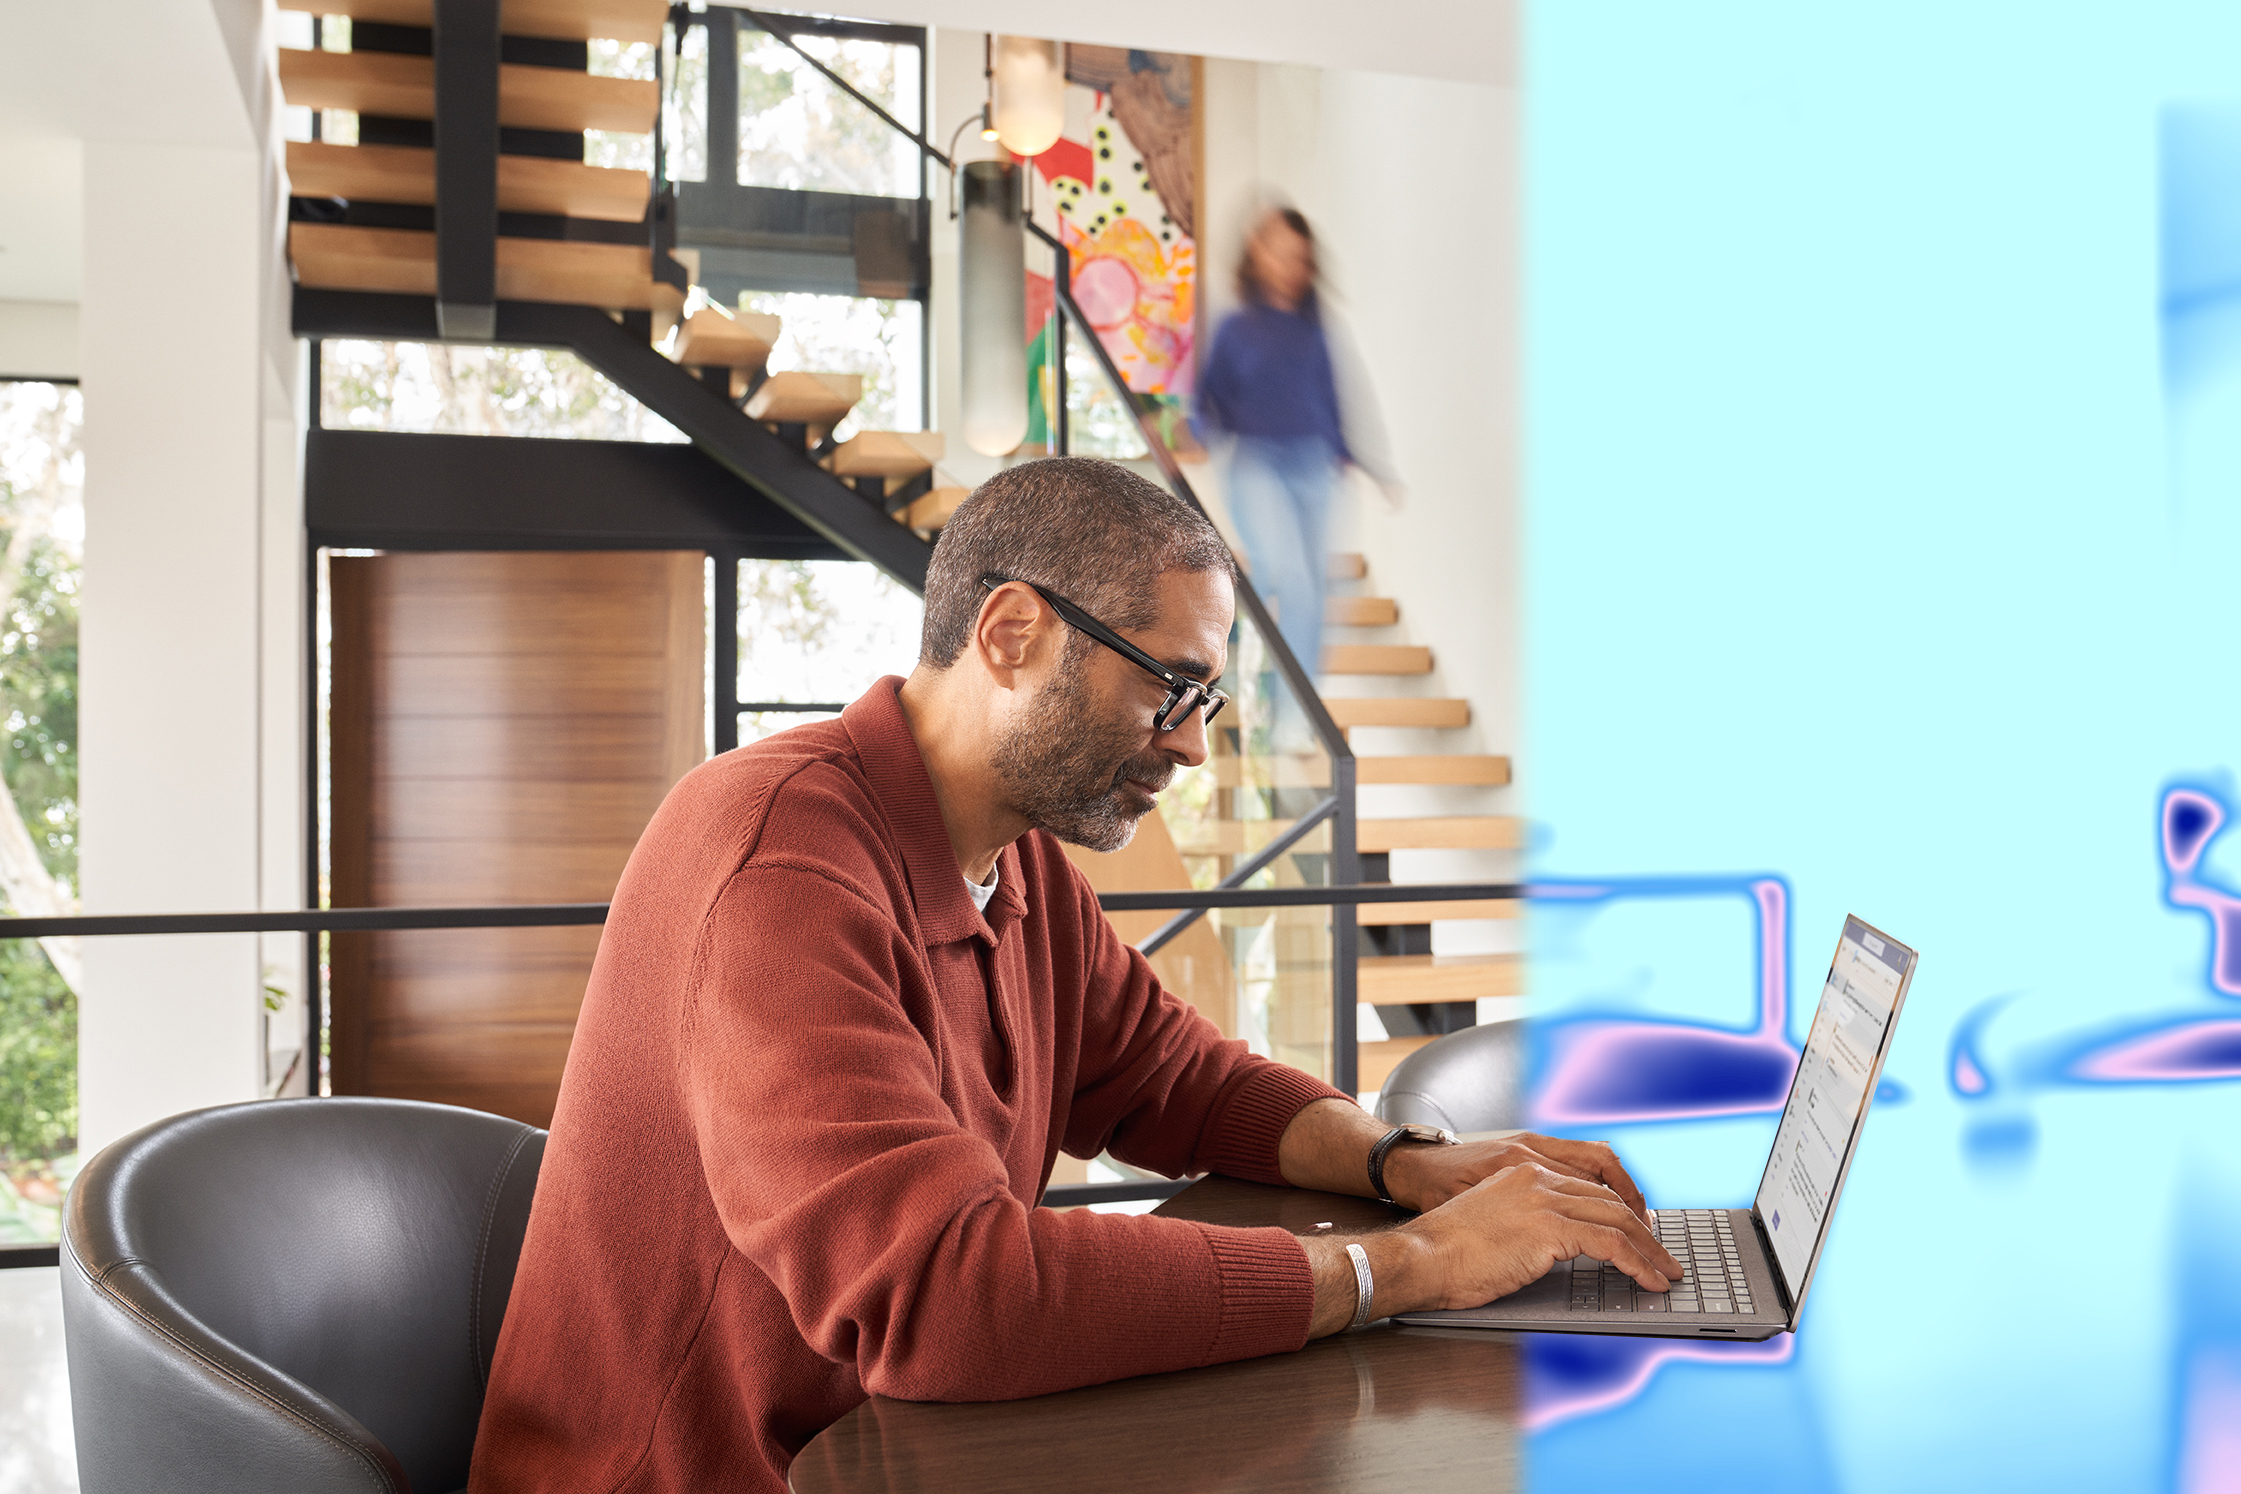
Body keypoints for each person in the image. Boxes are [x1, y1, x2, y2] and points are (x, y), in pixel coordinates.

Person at [469, 458, 1676, 1494]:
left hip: (894, 1449)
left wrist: (1402, 1163)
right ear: (1011, 634)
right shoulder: (777, 864)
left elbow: (1174, 1076)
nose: (1196, 745)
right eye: (1174, 686)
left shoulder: (1016, 860)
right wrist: (1403, 1267)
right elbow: (943, 1294)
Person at [1195, 206, 1396, 714]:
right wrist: (1189, 432)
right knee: (1286, 575)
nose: (1290, 265)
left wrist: (1367, 464)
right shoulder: (1236, 327)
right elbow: (1210, 400)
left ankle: (1294, 713)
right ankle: (1236, 677)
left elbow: (1334, 399)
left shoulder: (1315, 330)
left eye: (1299, 257)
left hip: (1316, 466)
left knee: (1313, 597)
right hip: (1257, 462)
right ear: (1256, 253)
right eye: (1280, 253)